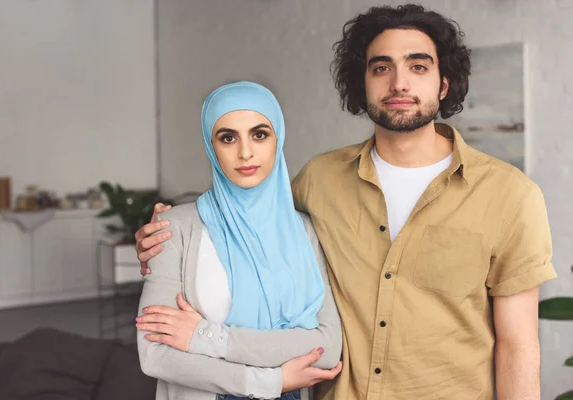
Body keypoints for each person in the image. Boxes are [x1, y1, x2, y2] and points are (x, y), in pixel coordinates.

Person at [136, 5, 557, 400]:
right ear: (362, 83)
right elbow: (253, 222)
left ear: (443, 83)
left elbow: (518, 345)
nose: (399, 83)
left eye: (418, 66)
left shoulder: (510, 195)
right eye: (381, 68)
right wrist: (166, 239)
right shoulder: (319, 181)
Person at [136, 81, 342, 400]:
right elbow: (156, 355)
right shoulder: (172, 227)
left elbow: (326, 349)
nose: (245, 152)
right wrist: (268, 382)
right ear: (210, 145)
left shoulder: (304, 230)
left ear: (278, 139)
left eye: (259, 134)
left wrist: (205, 338)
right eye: (228, 137)